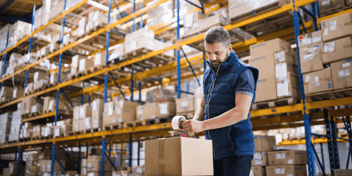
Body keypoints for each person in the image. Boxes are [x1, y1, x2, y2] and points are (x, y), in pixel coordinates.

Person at [182, 26, 259, 176]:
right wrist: (193, 123)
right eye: (208, 53)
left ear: (229, 48)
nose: (212, 58)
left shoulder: (243, 73)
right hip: (214, 149)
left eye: (217, 53)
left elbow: (241, 112)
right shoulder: (208, 73)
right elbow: (203, 105)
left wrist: (202, 125)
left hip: (236, 151)